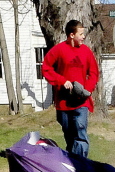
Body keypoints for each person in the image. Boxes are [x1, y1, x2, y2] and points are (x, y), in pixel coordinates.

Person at [42, 20, 99, 158]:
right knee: (69, 136)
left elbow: (94, 73)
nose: (84, 37)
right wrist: (62, 81)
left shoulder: (86, 51)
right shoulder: (59, 50)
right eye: (81, 34)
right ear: (71, 35)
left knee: (80, 132)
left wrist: (87, 89)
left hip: (81, 101)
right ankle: (72, 164)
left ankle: (80, 165)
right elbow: (46, 68)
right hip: (63, 102)